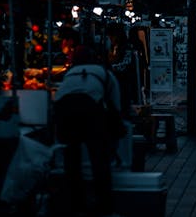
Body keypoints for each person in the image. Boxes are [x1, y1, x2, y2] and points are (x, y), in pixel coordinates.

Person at [53, 45, 121, 217]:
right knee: (99, 159)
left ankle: (76, 204)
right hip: (90, 111)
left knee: (72, 160)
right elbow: (115, 104)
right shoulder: (105, 74)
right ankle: (104, 205)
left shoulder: (70, 74)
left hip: (63, 111)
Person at [105, 25, 138, 118]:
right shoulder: (112, 47)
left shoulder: (127, 47)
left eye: (112, 36)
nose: (110, 38)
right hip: (114, 81)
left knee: (123, 105)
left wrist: (110, 68)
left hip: (124, 82)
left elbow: (125, 64)